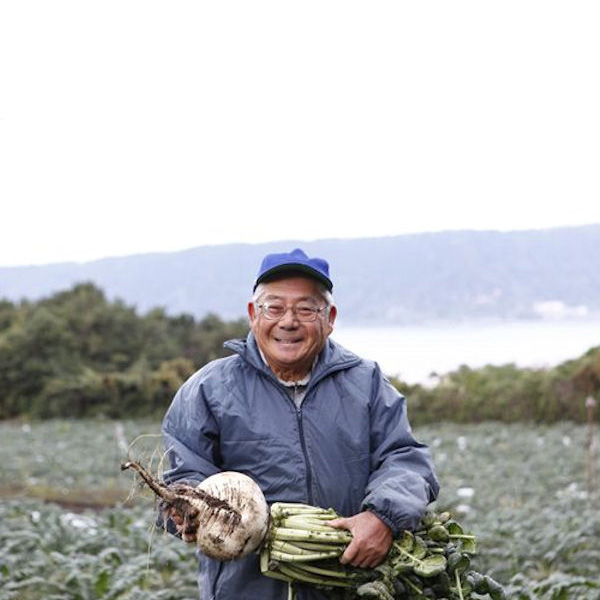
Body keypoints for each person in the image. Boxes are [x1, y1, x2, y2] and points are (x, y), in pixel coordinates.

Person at [160, 248, 439, 600]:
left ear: (330, 317)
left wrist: (382, 517)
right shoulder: (208, 389)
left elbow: (405, 459)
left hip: (351, 582)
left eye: (306, 309)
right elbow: (184, 477)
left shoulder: (365, 382)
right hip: (246, 590)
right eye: (274, 307)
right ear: (252, 314)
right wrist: (186, 512)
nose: (288, 321)